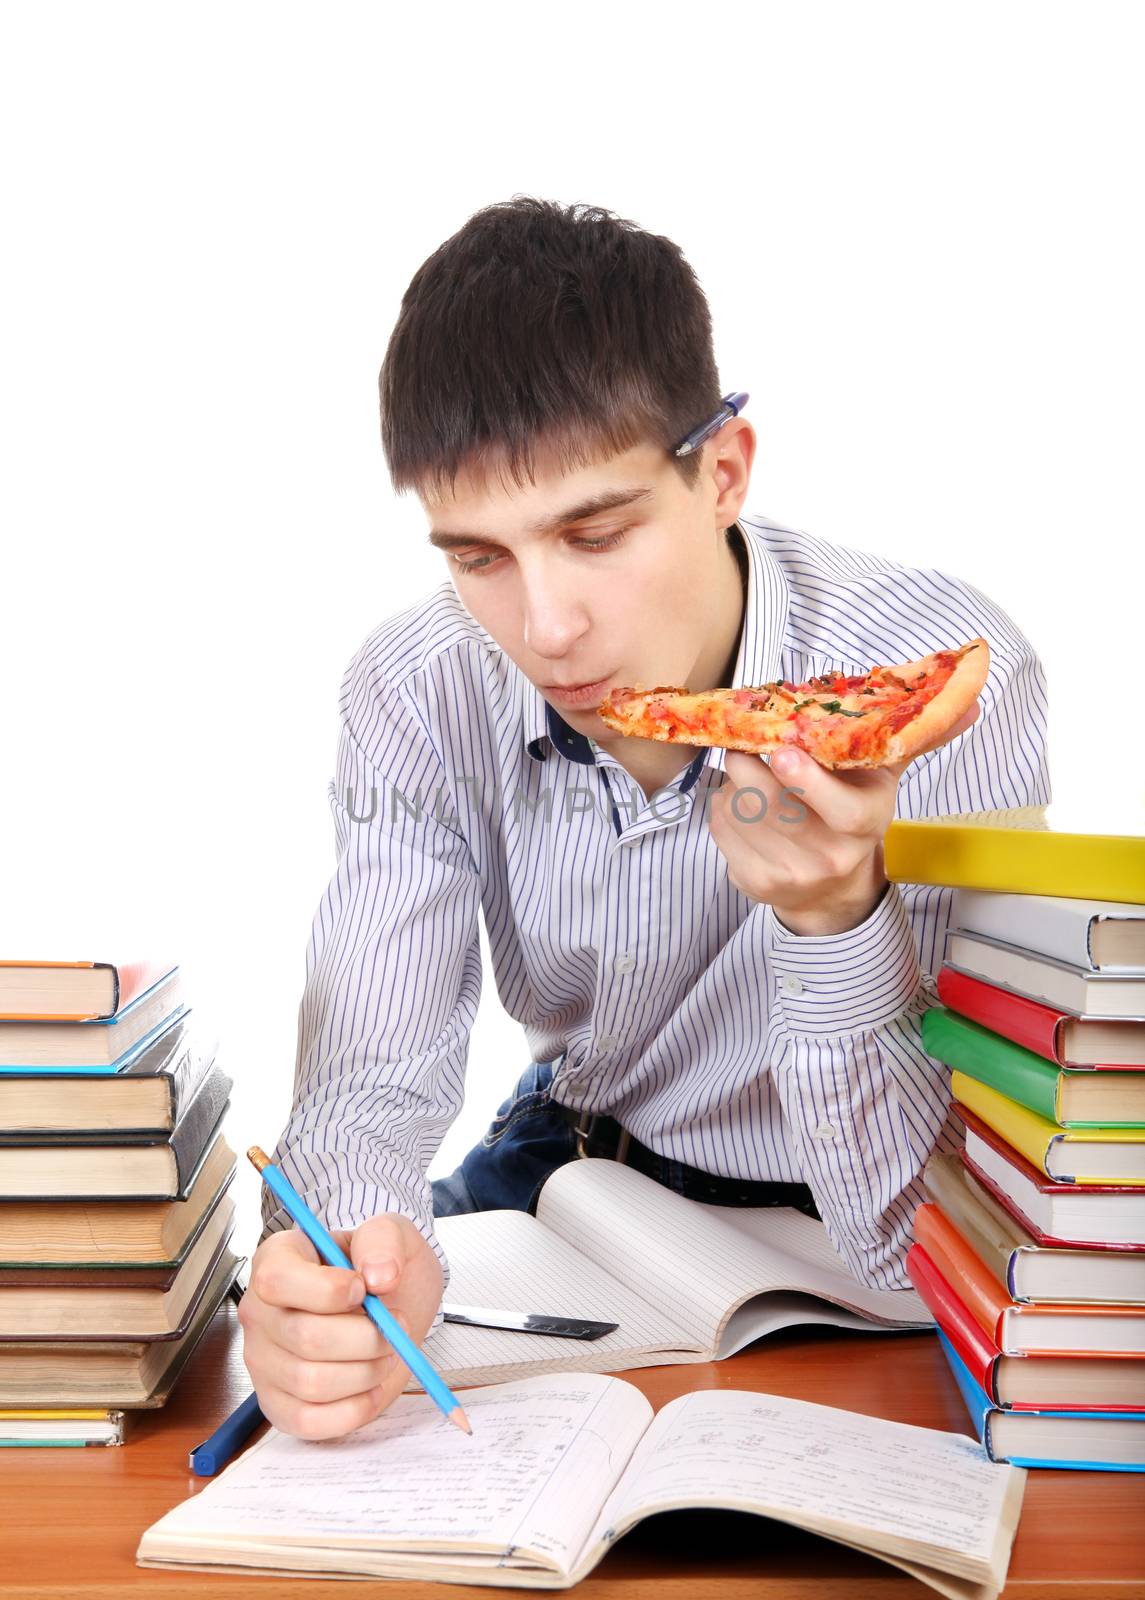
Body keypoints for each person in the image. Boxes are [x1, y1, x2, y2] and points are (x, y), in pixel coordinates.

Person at [238, 197, 1050, 1439]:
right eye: (477, 558)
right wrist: (342, 1256)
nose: (543, 629)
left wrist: (837, 920)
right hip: (572, 1164)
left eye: (595, 533)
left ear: (722, 471)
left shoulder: (938, 673)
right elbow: (370, 1079)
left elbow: (920, 1237)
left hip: (844, 1217)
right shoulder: (415, 683)